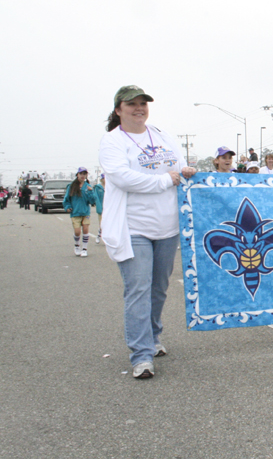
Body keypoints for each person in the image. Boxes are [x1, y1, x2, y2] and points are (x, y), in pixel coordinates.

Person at [98, 85, 197, 379]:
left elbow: (178, 166)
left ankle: (152, 338)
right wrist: (165, 181)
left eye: (143, 103)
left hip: (167, 228)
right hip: (133, 229)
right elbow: (122, 177)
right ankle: (141, 355)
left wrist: (186, 171)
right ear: (119, 110)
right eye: (132, 105)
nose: (139, 108)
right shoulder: (112, 141)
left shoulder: (161, 135)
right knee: (138, 290)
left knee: (158, 289)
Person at [63, 167, 96, 257]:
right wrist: (67, 207)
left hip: (85, 212)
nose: (83, 176)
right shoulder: (71, 186)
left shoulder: (88, 186)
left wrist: (90, 192)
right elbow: (66, 199)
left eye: (84, 174)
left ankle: (84, 249)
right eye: (81, 174)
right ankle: (77, 246)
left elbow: (92, 201)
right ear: (77, 175)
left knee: (85, 229)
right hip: (75, 212)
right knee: (77, 231)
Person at [95, 174, 105, 243]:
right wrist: (99, 208)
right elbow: (96, 198)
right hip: (101, 208)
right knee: (102, 223)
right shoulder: (98, 187)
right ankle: (99, 234)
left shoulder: (110, 186)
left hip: (109, 208)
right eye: (104, 178)